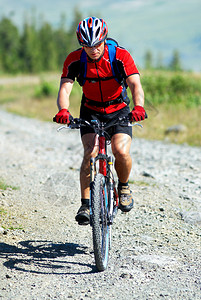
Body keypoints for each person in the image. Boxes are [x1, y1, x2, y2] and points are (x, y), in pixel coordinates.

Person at [54, 17, 146, 225]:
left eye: (96, 44)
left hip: (119, 110)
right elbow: (65, 87)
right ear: (81, 45)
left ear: (104, 39)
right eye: (87, 46)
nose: (93, 49)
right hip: (91, 111)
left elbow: (135, 84)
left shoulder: (120, 56)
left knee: (121, 151)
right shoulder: (74, 60)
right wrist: (63, 110)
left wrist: (138, 107)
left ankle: (123, 186)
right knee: (90, 152)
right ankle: (86, 204)